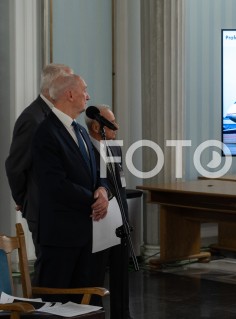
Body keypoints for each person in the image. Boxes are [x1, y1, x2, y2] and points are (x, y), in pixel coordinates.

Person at [31, 73, 110, 300]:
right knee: (56, 302)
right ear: (70, 94)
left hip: (87, 232)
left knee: (83, 300)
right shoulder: (46, 132)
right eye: (84, 90)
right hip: (60, 235)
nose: (88, 95)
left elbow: (96, 172)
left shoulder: (81, 131)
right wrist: (94, 201)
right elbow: (55, 184)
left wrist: (103, 190)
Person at [5, 63, 73, 281]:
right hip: (42, 210)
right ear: (55, 86)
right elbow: (15, 166)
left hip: (56, 210)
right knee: (49, 275)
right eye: (69, 83)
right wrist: (24, 200)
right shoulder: (32, 118)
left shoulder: (51, 115)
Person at [86, 104, 132, 319]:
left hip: (119, 222)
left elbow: (120, 186)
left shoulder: (115, 148)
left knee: (122, 273)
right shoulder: (84, 148)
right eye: (112, 123)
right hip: (98, 223)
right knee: (95, 275)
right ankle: (95, 314)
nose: (117, 126)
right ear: (97, 126)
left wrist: (125, 219)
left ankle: (122, 314)